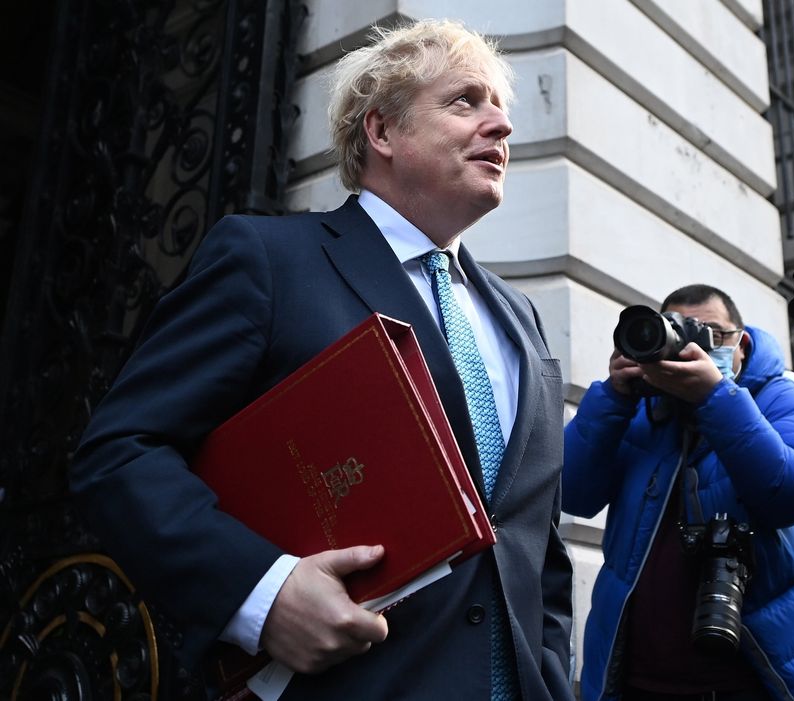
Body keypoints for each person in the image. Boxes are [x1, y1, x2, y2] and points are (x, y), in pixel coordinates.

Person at [69, 20, 573, 701]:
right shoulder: (269, 261)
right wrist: (263, 592)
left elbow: (537, 544)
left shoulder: (521, 317)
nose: (501, 127)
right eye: (465, 101)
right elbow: (120, 452)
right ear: (382, 132)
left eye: (502, 109)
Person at [563, 284, 794, 701]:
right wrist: (612, 397)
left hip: (753, 679)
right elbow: (572, 495)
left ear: (742, 344)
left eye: (713, 334)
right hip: (638, 679)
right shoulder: (640, 408)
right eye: (681, 331)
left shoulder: (779, 396)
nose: (697, 345)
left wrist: (715, 397)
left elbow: (791, 496)